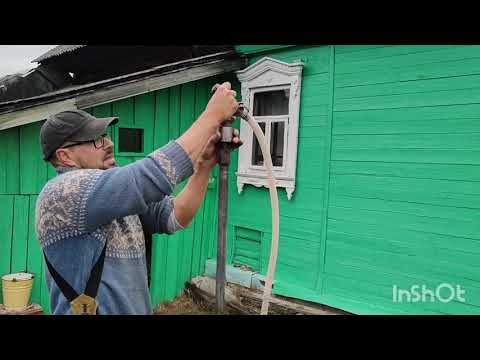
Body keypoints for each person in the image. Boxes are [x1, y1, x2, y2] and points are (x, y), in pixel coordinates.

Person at [35, 82, 241, 315]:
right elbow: (150, 177)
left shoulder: (110, 196)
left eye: (106, 136)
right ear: (65, 156)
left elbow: (175, 216)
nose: (109, 144)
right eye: (96, 140)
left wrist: (204, 165)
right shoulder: (61, 193)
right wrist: (212, 115)